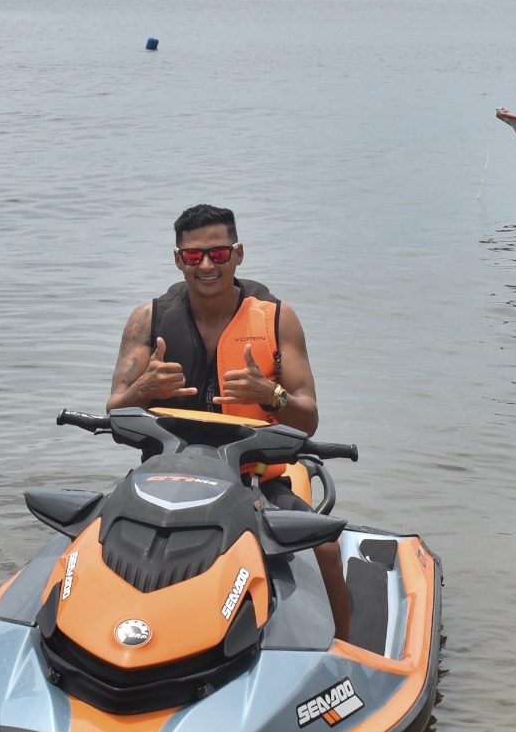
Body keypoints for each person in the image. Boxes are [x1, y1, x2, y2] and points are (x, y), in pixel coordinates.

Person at [107, 203, 352, 636]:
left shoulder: (277, 319)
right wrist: (142, 390)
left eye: (218, 254)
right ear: (177, 259)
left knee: (327, 547)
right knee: (92, 537)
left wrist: (270, 395)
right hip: (164, 477)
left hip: (255, 479)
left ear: (238, 254)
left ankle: (352, 654)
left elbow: (309, 418)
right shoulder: (147, 320)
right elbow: (115, 413)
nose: (205, 265)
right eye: (192, 255)